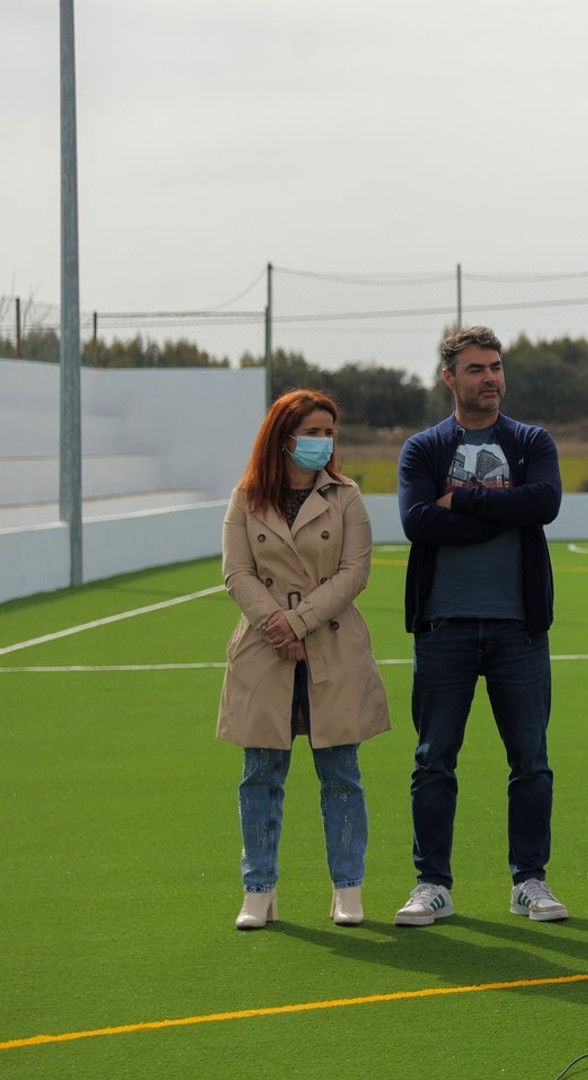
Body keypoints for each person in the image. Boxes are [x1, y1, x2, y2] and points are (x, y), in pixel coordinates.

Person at [394, 325, 568, 926]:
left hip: (519, 629)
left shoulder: (530, 440)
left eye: (495, 367)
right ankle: (432, 883)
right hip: (443, 628)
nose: (489, 378)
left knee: (531, 761)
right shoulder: (422, 448)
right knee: (434, 759)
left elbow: (542, 503)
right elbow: (418, 521)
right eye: (475, 369)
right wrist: (500, 509)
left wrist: (460, 501)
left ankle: (530, 881)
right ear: (449, 378)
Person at [218, 389, 390, 930]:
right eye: (312, 432)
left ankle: (347, 888)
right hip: (263, 652)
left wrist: (295, 623)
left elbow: (354, 573)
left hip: (331, 645)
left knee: (341, 773)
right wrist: (276, 625)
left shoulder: (347, 496)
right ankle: (258, 890)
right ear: (283, 435)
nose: (322, 442)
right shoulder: (246, 497)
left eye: (328, 432)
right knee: (260, 774)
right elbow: (236, 573)